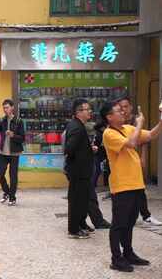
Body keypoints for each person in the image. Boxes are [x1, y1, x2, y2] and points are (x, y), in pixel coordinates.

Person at [101, 101, 162, 272]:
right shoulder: (109, 133)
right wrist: (140, 123)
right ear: (109, 117)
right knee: (119, 224)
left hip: (136, 184)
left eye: (123, 110)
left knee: (129, 222)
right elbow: (131, 143)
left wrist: (161, 120)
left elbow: (150, 135)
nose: (122, 112)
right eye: (118, 111)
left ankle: (128, 253)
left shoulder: (128, 128)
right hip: (122, 186)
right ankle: (116, 258)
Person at [116, 96, 162, 226]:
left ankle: (145, 215)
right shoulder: (117, 124)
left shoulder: (136, 121)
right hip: (122, 161)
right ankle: (132, 215)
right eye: (120, 108)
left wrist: (143, 157)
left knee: (139, 188)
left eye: (125, 107)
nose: (123, 110)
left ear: (131, 107)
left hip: (134, 158)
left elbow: (145, 139)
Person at [64, 99, 96, 239]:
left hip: (82, 170)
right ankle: (74, 229)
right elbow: (70, 149)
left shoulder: (78, 125)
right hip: (78, 171)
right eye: (87, 109)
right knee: (76, 200)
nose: (90, 112)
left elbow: (79, 147)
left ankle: (81, 224)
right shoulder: (76, 127)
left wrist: (89, 149)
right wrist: (83, 154)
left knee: (83, 199)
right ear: (78, 112)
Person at [0, 99, 25, 206]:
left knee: (13, 176)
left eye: (7, 107)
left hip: (14, 153)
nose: (5, 109)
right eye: (4, 108)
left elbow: (22, 138)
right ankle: (7, 192)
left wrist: (13, 135)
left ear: (12, 108)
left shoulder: (18, 121)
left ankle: (12, 197)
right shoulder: (3, 120)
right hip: (3, 152)